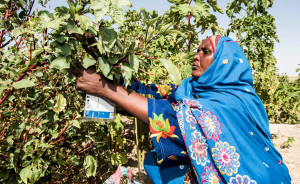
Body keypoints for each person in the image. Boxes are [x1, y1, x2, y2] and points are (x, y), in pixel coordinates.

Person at [74, 35, 291, 184]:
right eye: (197, 50)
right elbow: (145, 93)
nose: (196, 56)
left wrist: (105, 90)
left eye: (205, 51)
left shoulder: (235, 100)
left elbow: (174, 120)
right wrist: (99, 56)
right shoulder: (191, 88)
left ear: (224, 62)